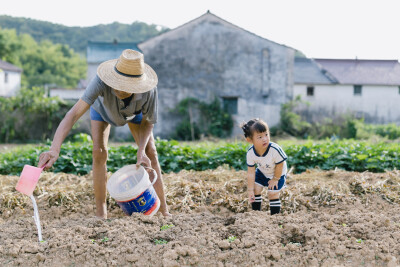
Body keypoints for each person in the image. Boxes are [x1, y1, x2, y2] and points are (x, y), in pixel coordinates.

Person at [38, 49, 170, 218]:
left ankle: (164, 210)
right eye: (117, 83)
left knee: (151, 152)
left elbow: (148, 122)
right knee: (99, 153)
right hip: (102, 112)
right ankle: (101, 213)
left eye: (125, 86)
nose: (118, 89)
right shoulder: (100, 82)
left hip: (134, 114)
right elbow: (73, 114)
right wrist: (54, 149)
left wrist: (141, 149)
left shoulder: (149, 91)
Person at [241, 118, 287, 215]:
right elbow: (251, 172)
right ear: (250, 140)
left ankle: (275, 217)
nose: (265, 139)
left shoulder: (274, 149)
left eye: (266, 134)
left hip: (278, 174)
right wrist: (250, 190)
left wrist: (275, 179)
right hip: (262, 172)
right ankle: (256, 214)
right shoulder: (250, 153)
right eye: (260, 137)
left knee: (272, 194)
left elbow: (280, 164)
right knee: (256, 189)